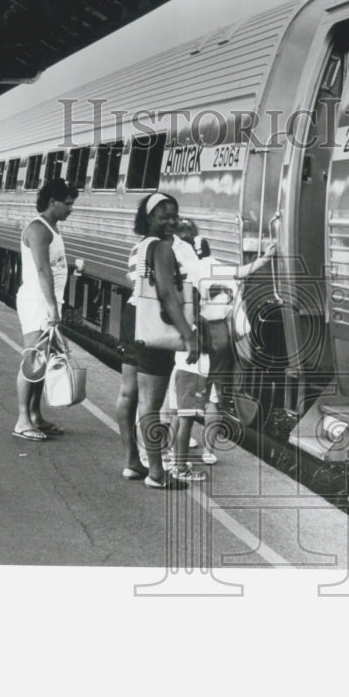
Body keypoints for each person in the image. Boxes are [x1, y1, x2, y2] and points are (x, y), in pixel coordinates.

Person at [168, 219, 276, 479]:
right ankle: (208, 450)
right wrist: (265, 258)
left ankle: (173, 454)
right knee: (213, 396)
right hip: (221, 338)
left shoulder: (189, 270)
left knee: (179, 401)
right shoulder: (219, 268)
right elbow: (243, 273)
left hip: (197, 339)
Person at [114, 192, 198, 489]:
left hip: (132, 316)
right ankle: (157, 473)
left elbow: (136, 282)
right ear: (150, 218)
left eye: (174, 216)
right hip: (153, 324)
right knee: (151, 403)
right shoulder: (163, 248)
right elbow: (166, 294)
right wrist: (188, 334)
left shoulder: (140, 247)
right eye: (164, 217)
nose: (171, 222)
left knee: (128, 394)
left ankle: (132, 463)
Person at [12, 178, 77, 441]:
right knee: (32, 359)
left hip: (48, 301)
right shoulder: (38, 230)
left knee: (43, 360)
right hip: (37, 302)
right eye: (68, 204)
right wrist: (52, 306)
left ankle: (36, 415)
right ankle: (22, 419)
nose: (71, 209)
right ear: (53, 202)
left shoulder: (52, 228)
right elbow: (42, 270)